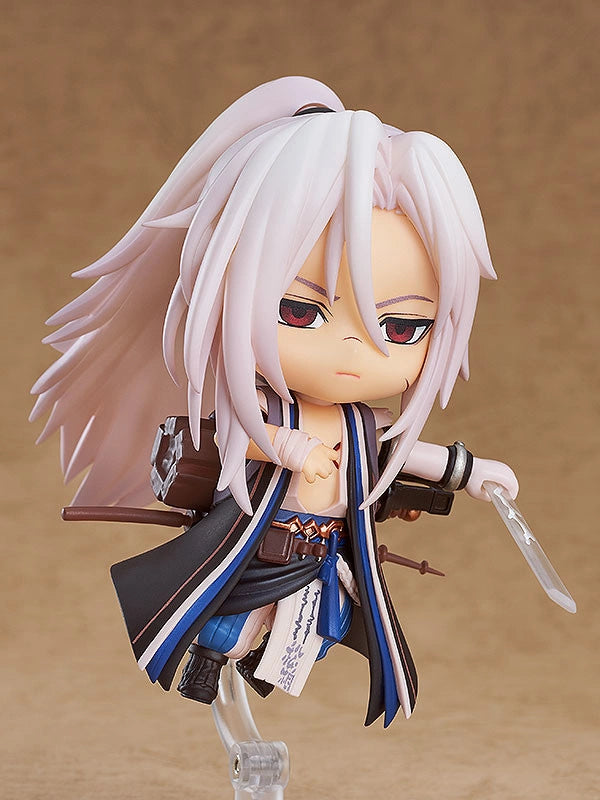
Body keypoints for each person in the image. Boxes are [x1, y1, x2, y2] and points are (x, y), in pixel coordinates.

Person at [31, 77, 517, 728]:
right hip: (259, 544)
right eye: (300, 311)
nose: (355, 346)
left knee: (310, 632)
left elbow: (402, 455)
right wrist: (287, 446)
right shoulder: (277, 411)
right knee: (228, 626)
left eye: (402, 327)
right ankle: (209, 670)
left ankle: (249, 685)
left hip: (321, 555)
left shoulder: (358, 424)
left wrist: (472, 471)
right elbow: (243, 434)